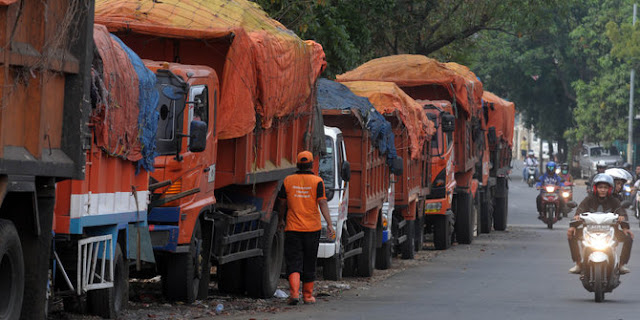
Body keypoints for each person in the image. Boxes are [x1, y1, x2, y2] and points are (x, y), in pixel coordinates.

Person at [278, 151, 335, 305]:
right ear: (311, 164)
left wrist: (280, 220)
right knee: (310, 261)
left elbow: (282, 204)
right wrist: (329, 224)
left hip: (293, 229)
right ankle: (308, 296)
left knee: (293, 262)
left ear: (297, 164)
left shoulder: (288, 180)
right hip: (312, 229)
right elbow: (322, 203)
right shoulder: (317, 182)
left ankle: (294, 294)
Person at [567, 174, 634, 274]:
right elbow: (579, 210)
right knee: (571, 235)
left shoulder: (614, 201)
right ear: (595, 188)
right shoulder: (588, 200)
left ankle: (621, 265)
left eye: (605, 188)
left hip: (611, 232)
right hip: (589, 231)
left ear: (610, 189)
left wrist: (625, 226)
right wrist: (573, 225)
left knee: (629, 237)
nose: (603, 190)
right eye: (600, 187)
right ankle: (578, 263)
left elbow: (621, 211)